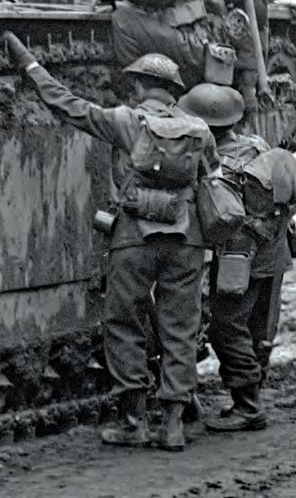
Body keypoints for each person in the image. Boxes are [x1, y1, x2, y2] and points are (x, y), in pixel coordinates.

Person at [2, 33, 221, 450]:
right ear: (174, 91)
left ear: (139, 86)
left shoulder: (126, 121)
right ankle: (173, 425)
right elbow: (212, 179)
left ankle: (134, 422)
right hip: (186, 238)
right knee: (180, 329)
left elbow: (66, 104)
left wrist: (29, 62)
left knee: (124, 325)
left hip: (135, 236)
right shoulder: (199, 129)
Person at [178, 83, 296, 431]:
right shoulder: (259, 146)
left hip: (238, 258)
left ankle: (248, 405)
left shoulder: (212, 163)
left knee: (226, 328)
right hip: (275, 250)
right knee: (260, 327)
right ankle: (252, 395)